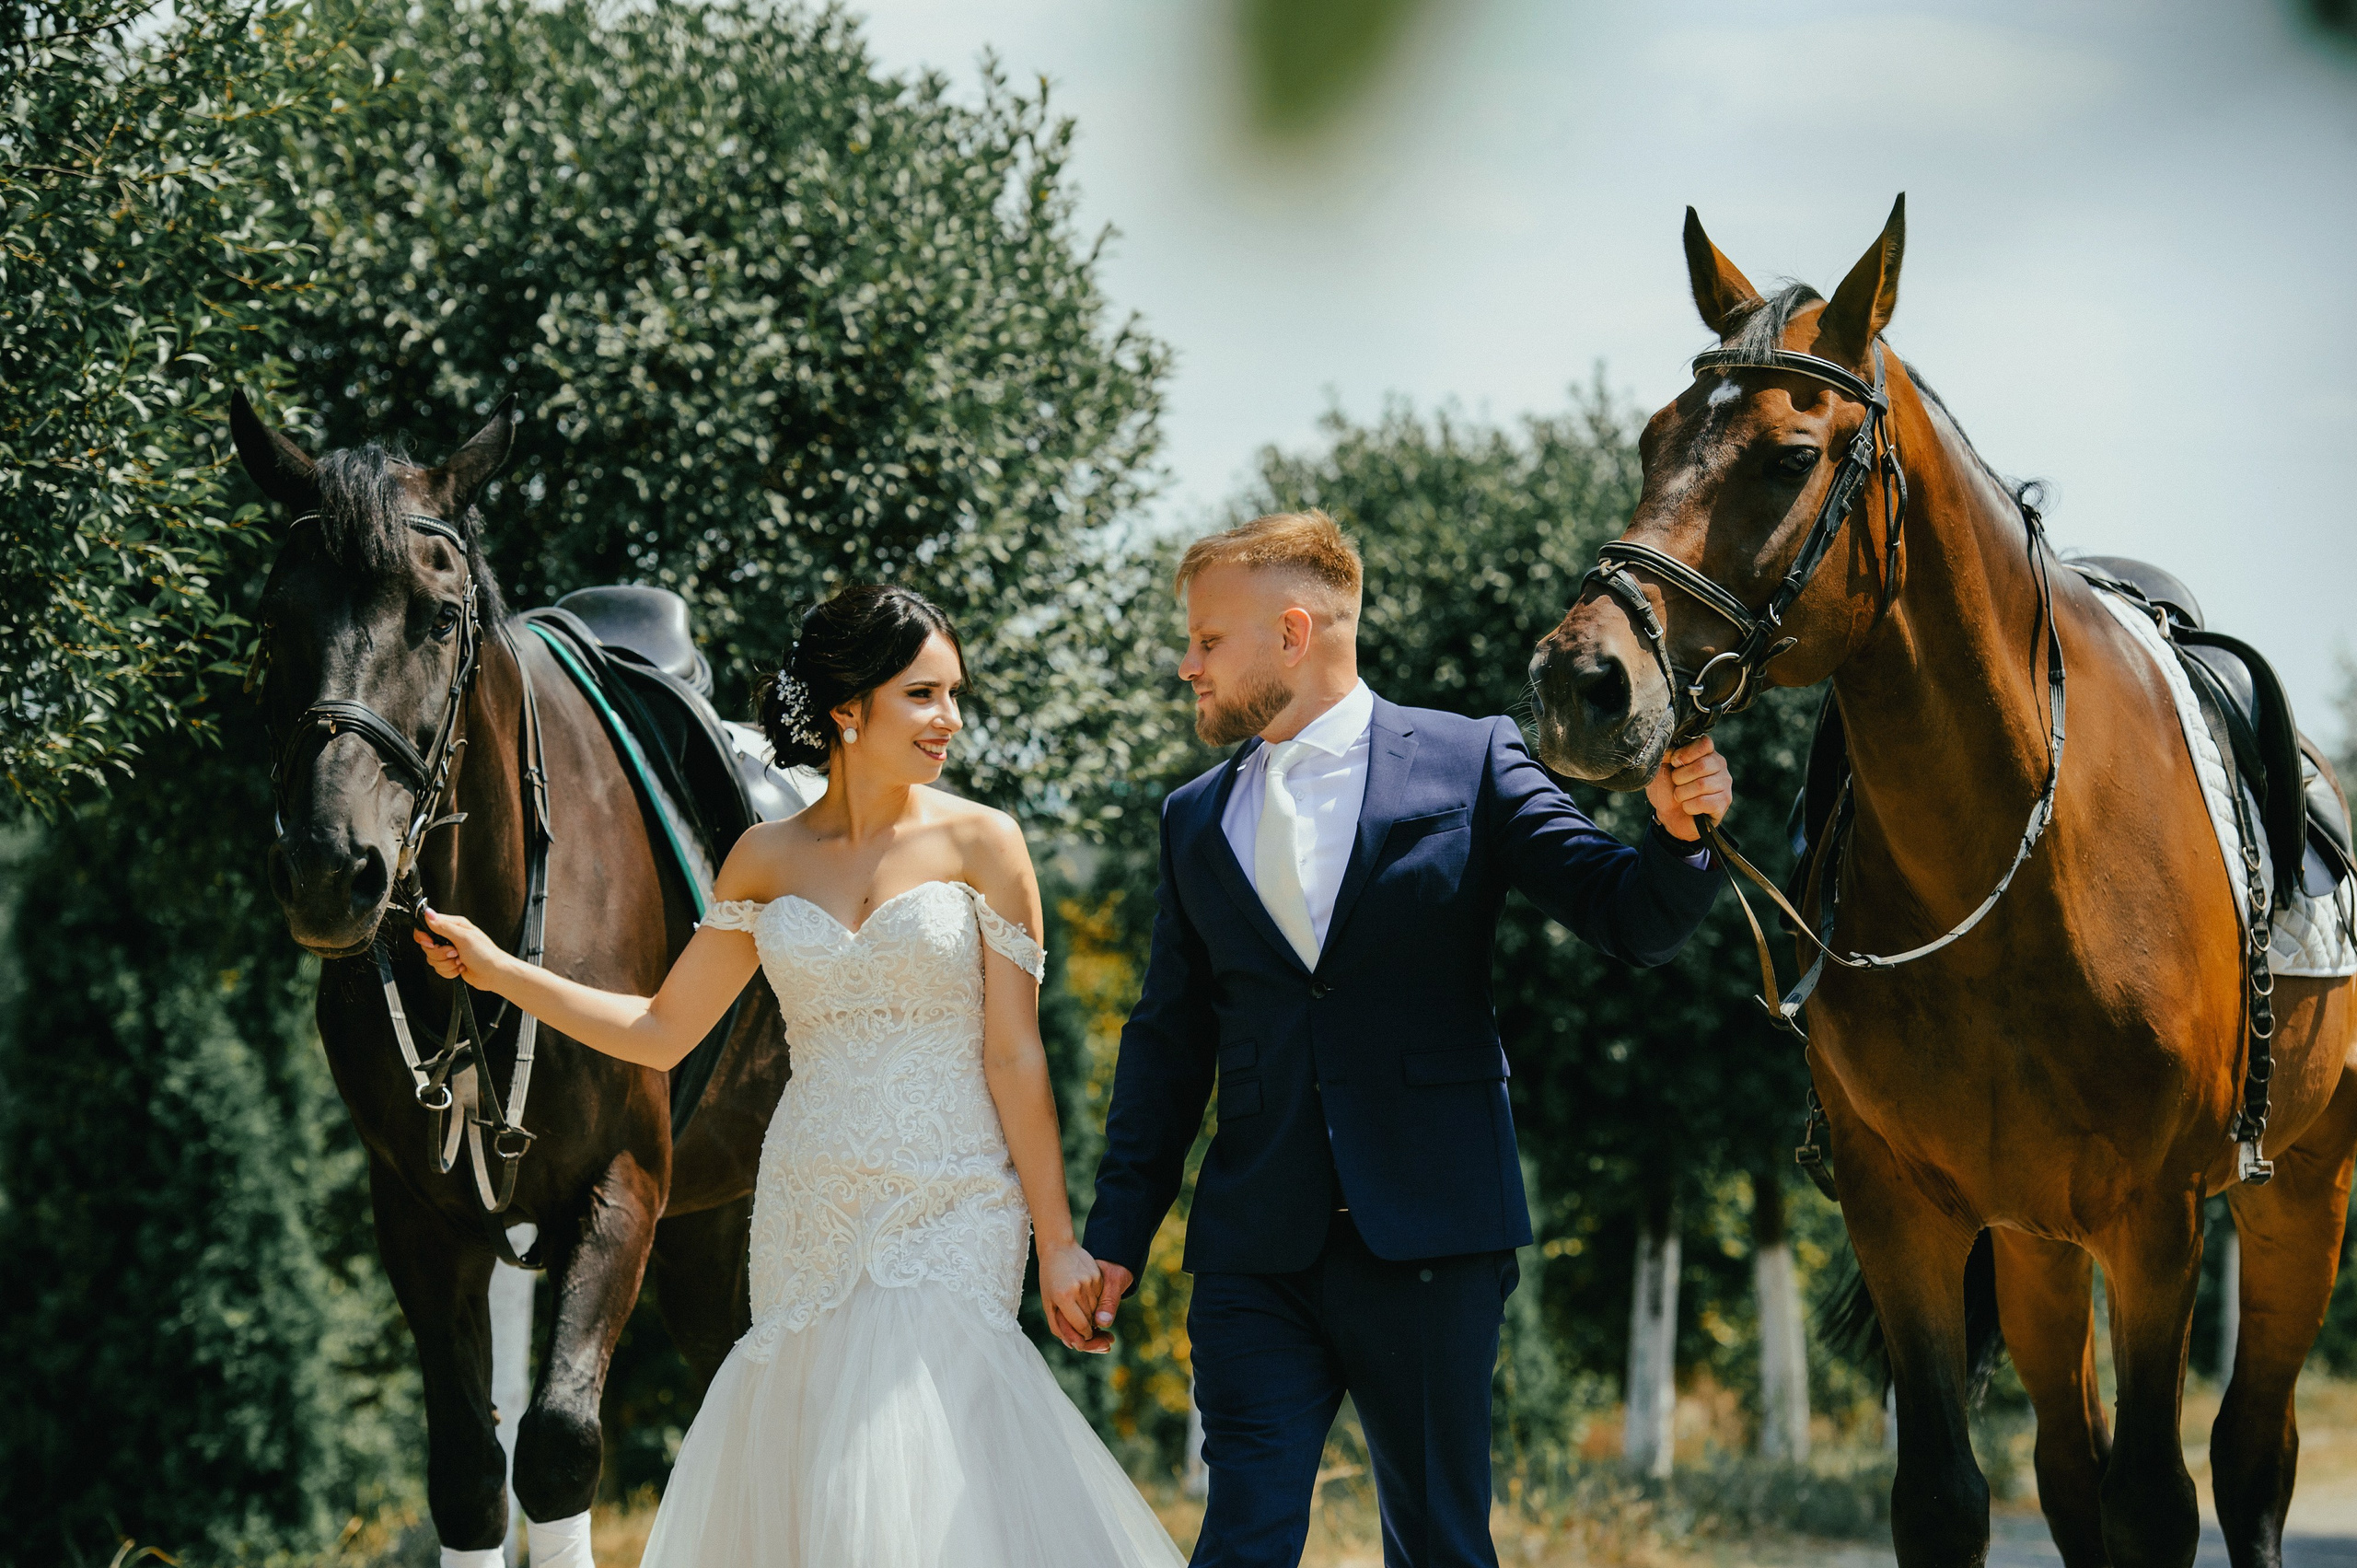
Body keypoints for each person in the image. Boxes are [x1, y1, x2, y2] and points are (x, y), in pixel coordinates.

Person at [414, 585, 1184, 1568]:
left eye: (954, 695)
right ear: (846, 708)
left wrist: (1060, 1241)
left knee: (922, 1453)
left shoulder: (984, 843)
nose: (950, 719)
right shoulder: (763, 857)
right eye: (924, 695)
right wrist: (497, 968)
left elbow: (1013, 1054)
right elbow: (659, 1029)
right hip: (807, 1202)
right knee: (829, 1471)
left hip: (954, 1196)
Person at [1082, 511, 1734, 1568]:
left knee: (1438, 1543)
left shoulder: (1473, 757)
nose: (1185, 663)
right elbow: (1167, 1043)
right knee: (1242, 1534)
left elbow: (1629, 916)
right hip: (1256, 1247)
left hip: (1433, 1234)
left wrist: (1675, 833)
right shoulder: (1191, 817)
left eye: (1206, 639)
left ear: (1293, 633)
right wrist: (1117, 1233)